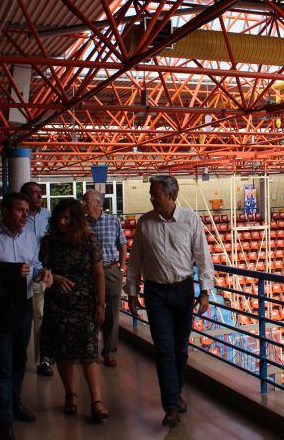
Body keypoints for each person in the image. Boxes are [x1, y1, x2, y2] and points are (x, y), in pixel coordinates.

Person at [127, 175, 214, 427]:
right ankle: (171, 406)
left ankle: (175, 393)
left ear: (171, 195)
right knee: (164, 349)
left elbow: (203, 257)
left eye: (156, 194)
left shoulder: (191, 220)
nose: (152, 198)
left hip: (184, 291)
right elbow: (135, 261)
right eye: (152, 193)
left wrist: (205, 291)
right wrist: (132, 291)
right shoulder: (145, 223)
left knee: (180, 349)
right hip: (155, 293)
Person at [0, 192, 51, 440]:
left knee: (19, 360)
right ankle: (5, 425)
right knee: (2, 366)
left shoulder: (29, 236)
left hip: (23, 306)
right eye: (19, 210)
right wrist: (9, 271)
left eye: (27, 210)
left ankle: (14, 404)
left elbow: (35, 263)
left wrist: (42, 272)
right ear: (4, 211)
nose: (25, 214)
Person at [39, 198, 110, 422]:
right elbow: (41, 269)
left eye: (68, 218)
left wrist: (101, 304)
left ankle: (96, 401)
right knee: (63, 351)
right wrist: (56, 277)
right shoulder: (49, 242)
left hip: (84, 302)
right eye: (59, 218)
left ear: (77, 219)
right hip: (57, 303)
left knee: (89, 350)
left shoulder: (89, 240)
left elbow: (98, 273)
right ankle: (70, 394)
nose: (62, 222)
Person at [81, 189, 127, 367]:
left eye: (86, 200)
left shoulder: (113, 220)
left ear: (98, 204)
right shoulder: (81, 224)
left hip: (110, 271)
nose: (83, 203)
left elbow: (122, 245)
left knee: (112, 314)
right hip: (89, 273)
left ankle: (109, 352)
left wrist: (121, 269)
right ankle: (90, 349)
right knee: (89, 311)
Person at [20, 182, 53, 377]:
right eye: (33, 193)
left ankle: (43, 361)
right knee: (23, 320)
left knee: (41, 318)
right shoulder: (20, 218)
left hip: (43, 275)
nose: (39, 196)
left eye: (40, 193)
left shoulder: (48, 216)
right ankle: (19, 355)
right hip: (22, 277)